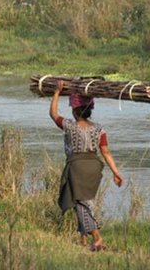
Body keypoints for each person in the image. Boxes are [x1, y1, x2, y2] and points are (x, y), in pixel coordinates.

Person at [49, 80, 122, 251]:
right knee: (85, 202)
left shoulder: (70, 126)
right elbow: (106, 153)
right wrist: (116, 173)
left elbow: (53, 114)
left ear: (75, 111)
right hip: (94, 168)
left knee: (80, 203)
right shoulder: (99, 129)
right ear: (89, 111)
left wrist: (56, 92)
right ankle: (83, 240)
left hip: (77, 168)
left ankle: (97, 237)